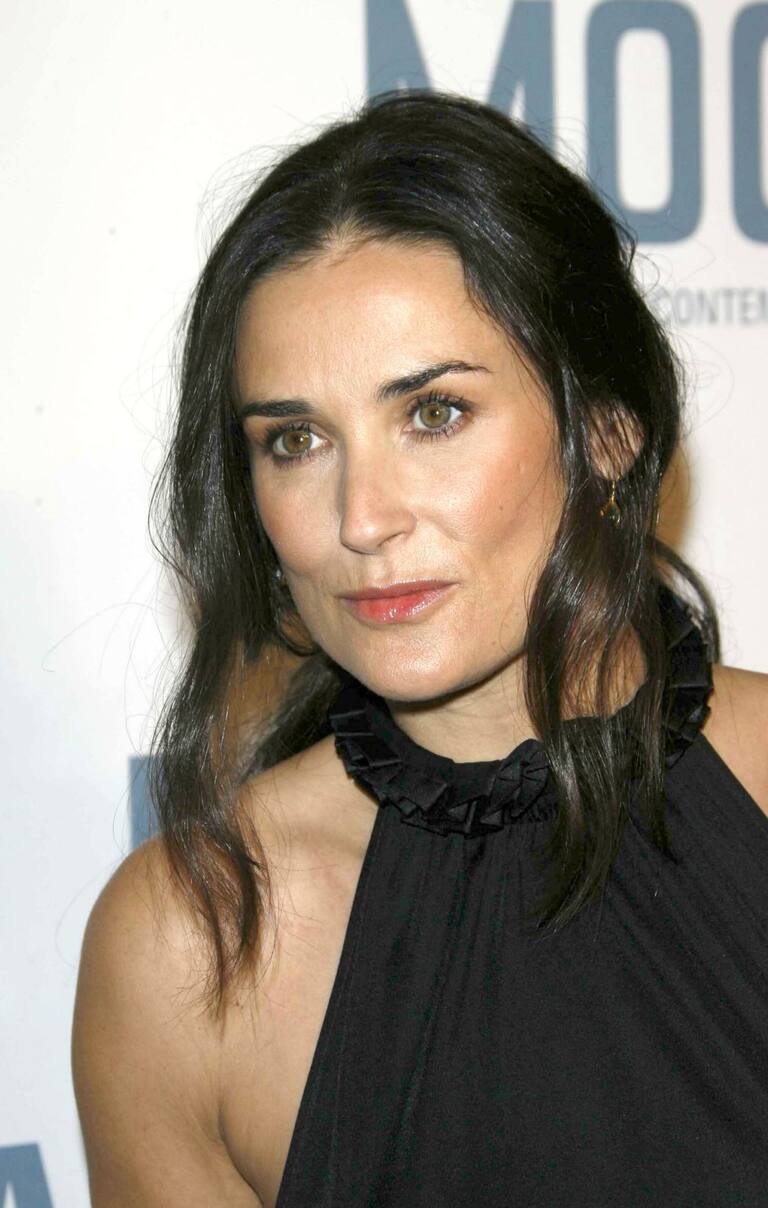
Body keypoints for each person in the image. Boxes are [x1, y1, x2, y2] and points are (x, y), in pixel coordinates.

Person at [71, 89, 768, 1207]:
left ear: (605, 431)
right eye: (297, 440)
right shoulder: (188, 945)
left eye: (433, 413)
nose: (361, 518)